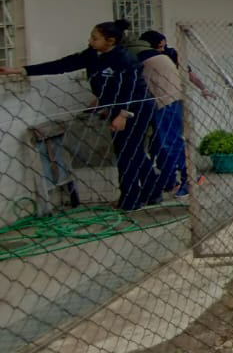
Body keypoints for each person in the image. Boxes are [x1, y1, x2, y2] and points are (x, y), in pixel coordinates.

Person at [2, 18, 163, 210]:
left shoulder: (124, 59)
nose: (90, 41)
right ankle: (153, 191)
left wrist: (123, 114)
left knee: (127, 153)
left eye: (95, 38)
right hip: (115, 107)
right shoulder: (93, 55)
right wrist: (21, 70)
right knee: (131, 150)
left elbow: (131, 89)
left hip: (135, 109)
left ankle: (131, 200)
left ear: (110, 41)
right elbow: (63, 65)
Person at [132, 31, 194, 199]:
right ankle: (170, 180)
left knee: (169, 142)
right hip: (170, 100)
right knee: (162, 143)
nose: (163, 46)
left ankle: (188, 178)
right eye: (161, 44)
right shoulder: (163, 56)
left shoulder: (142, 58)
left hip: (165, 102)